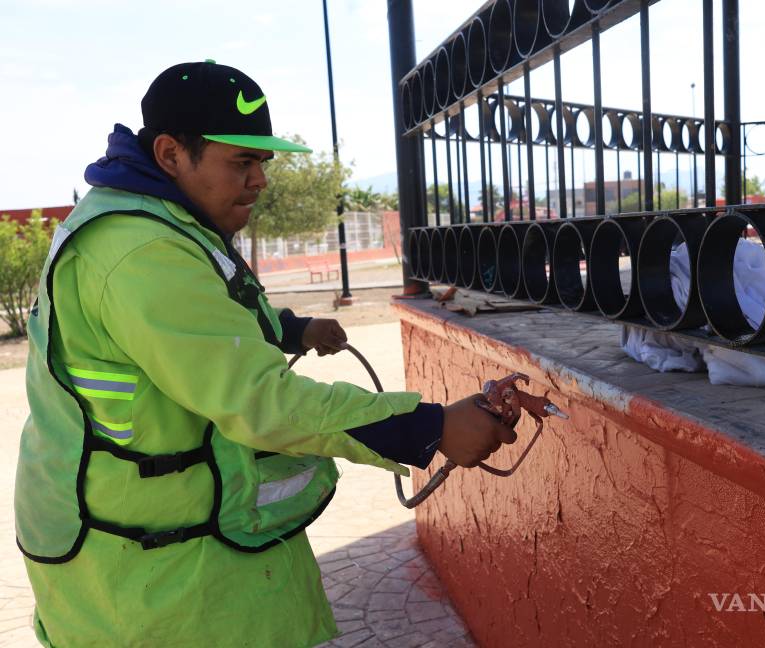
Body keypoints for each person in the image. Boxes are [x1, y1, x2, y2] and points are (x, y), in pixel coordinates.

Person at [14, 60, 516, 647]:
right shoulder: (141, 250)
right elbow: (260, 401)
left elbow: (204, 321)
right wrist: (429, 428)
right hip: (145, 563)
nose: (260, 181)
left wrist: (294, 330)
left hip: (170, 535)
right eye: (242, 162)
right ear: (171, 153)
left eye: (263, 163)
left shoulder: (158, 221)